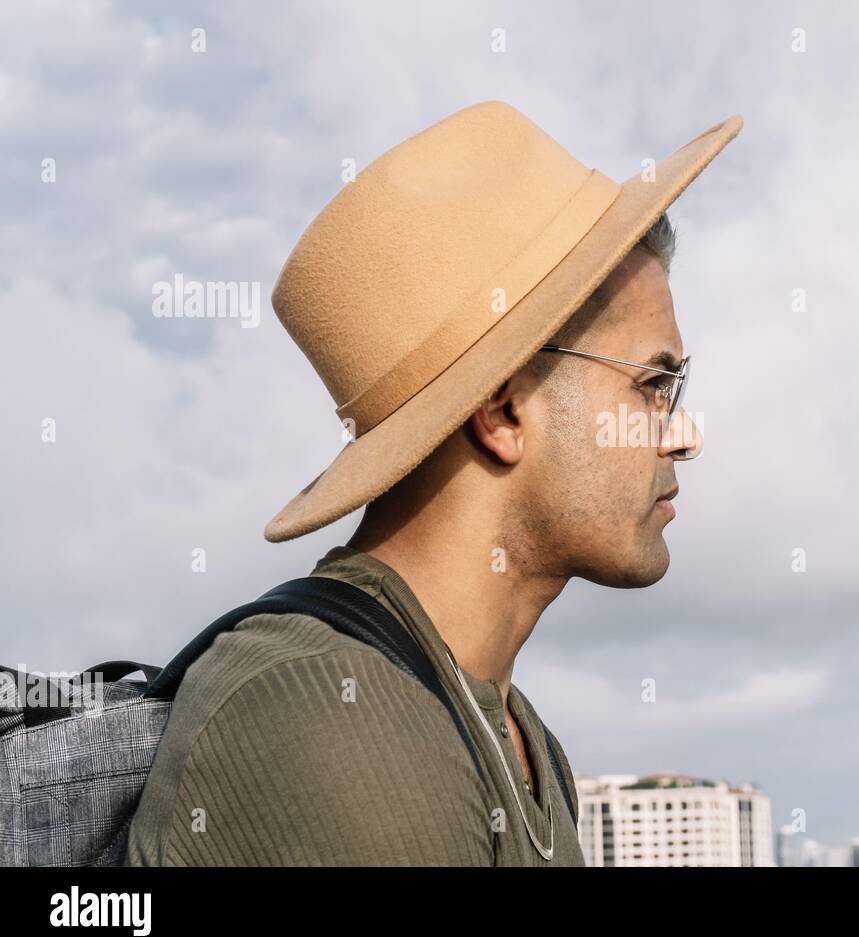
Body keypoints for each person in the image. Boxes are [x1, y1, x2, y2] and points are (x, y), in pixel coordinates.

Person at [126, 100, 742, 865]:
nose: (684, 435)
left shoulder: (512, 735)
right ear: (504, 410)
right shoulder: (326, 720)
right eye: (653, 383)